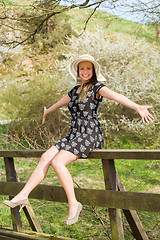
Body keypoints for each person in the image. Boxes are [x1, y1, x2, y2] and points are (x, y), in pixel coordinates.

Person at [3, 54, 154, 225]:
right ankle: (23, 195)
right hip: (74, 134)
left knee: (58, 162)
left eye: (88, 68)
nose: (85, 71)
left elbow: (117, 96)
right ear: (78, 70)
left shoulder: (97, 88)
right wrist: (47, 111)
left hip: (90, 134)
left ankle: (74, 204)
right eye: (82, 68)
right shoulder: (74, 91)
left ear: (93, 71)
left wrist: (137, 107)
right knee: (46, 157)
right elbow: (59, 103)